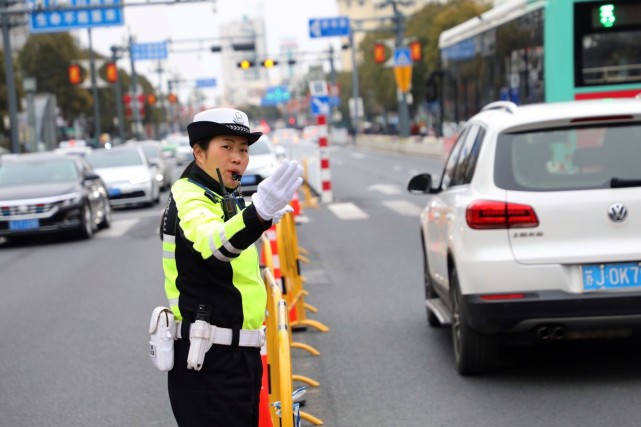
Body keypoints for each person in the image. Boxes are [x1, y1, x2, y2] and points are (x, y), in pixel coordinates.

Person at [160, 108, 303, 427]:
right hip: (210, 363)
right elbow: (212, 246)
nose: (237, 157)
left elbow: (229, 234)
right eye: (226, 147)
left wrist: (256, 216)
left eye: (243, 149)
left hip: (237, 358)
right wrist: (258, 214)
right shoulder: (189, 197)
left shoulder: (218, 196)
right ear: (199, 152)